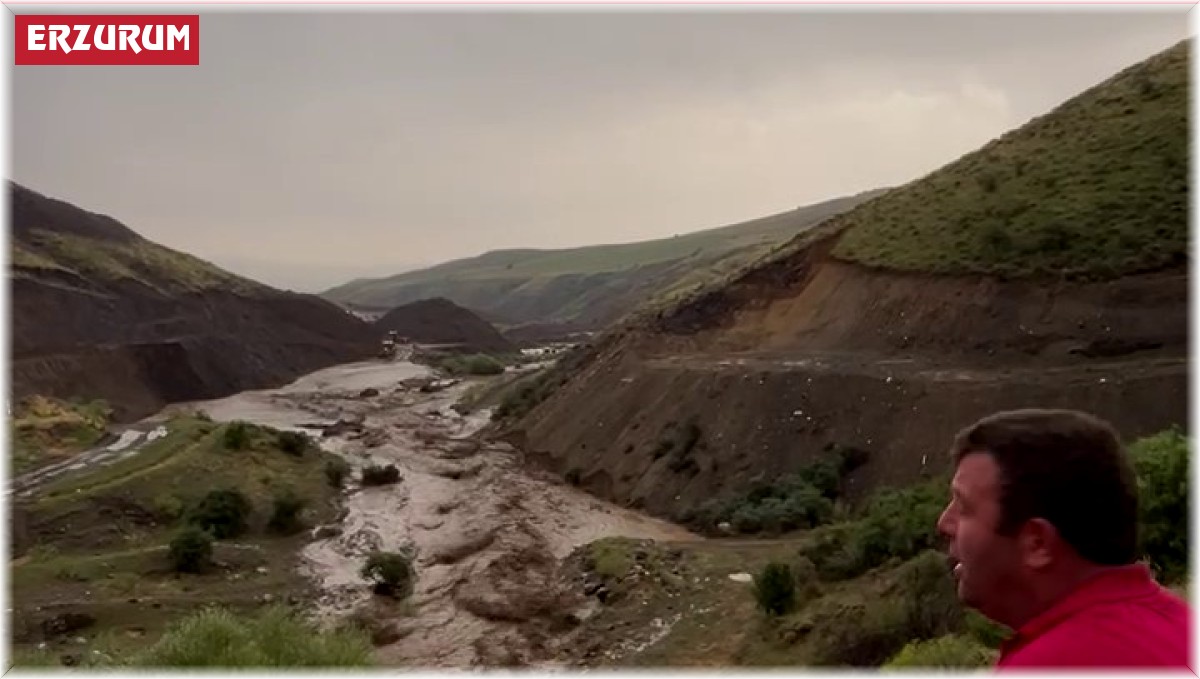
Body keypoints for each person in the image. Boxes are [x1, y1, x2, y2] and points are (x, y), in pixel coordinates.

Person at [935, 408, 1191, 670]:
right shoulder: (1182, 628)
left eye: (964, 507)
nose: (944, 523)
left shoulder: (1052, 664)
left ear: (1037, 544)